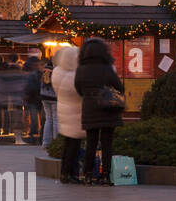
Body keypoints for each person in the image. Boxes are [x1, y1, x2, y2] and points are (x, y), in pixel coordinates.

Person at [74, 38, 124, 186]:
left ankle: (88, 175)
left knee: (91, 143)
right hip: (109, 110)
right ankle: (105, 176)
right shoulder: (107, 68)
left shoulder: (81, 69)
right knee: (107, 145)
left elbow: (78, 89)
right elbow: (120, 87)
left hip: (90, 108)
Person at [52, 45, 84, 183]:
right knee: (74, 145)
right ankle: (69, 173)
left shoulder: (57, 71)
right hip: (75, 113)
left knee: (68, 144)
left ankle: (65, 172)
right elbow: (79, 93)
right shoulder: (72, 75)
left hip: (64, 110)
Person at [22, 57, 43, 144]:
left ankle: (34, 135)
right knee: (38, 118)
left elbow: (30, 88)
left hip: (34, 99)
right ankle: (37, 135)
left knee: (35, 118)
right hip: (37, 99)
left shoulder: (32, 75)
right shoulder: (36, 74)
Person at [40, 55, 58, 149]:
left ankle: (45, 142)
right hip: (54, 97)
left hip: (44, 96)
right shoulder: (56, 70)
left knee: (48, 119)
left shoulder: (45, 70)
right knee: (55, 120)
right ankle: (56, 142)